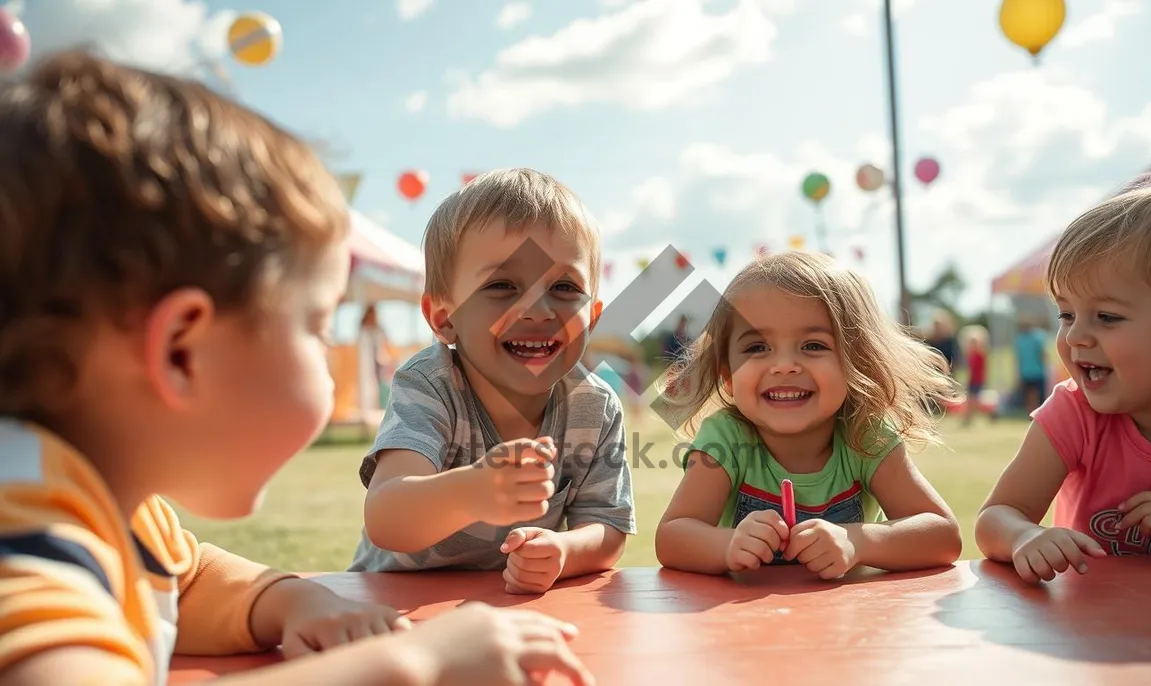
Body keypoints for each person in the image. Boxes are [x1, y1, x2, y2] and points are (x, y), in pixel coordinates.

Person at [0, 52, 592, 686]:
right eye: (316, 325)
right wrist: (413, 662)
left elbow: (188, 579)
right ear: (180, 351)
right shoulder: (25, 538)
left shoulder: (106, 508)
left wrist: (290, 600)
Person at [348, 168, 636, 595]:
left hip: (504, 611)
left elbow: (607, 525)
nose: (538, 310)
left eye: (563, 286)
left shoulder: (595, 405)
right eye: (502, 285)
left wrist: (564, 550)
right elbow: (386, 517)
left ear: (592, 317)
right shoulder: (431, 384)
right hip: (390, 602)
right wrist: (471, 491)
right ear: (445, 320)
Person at [653, 251, 963, 577]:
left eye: (813, 345)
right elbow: (672, 537)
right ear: (728, 377)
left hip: (852, 623)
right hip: (747, 623)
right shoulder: (726, 437)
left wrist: (858, 540)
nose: (784, 366)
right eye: (757, 348)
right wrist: (727, 545)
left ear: (857, 362)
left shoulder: (866, 434)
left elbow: (943, 535)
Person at [976, 165, 1151, 585]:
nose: (1075, 335)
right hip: (1088, 633)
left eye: (1107, 317)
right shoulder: (1073, 413)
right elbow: (995, 517)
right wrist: (1025, 535)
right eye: (1066, 314)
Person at [1012, 315, 1048, 414]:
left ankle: (1032, 413)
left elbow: (1018, 359)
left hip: (1027, 372)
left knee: (1030, 396)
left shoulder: (1019, 340)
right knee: (1037, 395)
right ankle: (1037, 414)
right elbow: (1042, 354)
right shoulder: (1038, 337)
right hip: (1037, 372)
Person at [958, 325, 991, 426]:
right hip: (972, 380)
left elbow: (983, 369)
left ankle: (969, 417)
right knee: (971, 400)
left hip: (977, 381)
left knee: (973, 400)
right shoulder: (971, 355)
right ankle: (968, 417)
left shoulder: (980, 354)